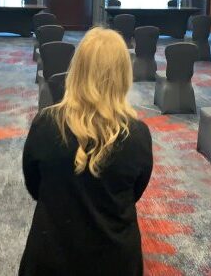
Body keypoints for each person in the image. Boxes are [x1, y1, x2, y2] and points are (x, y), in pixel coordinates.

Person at [20, 28, 153, 276]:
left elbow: (35, 186)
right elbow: (134, 192)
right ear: (123, 75)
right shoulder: (138, 135)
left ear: (77, 70)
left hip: (51, 257)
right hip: (116, 261)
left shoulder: (45, 124)